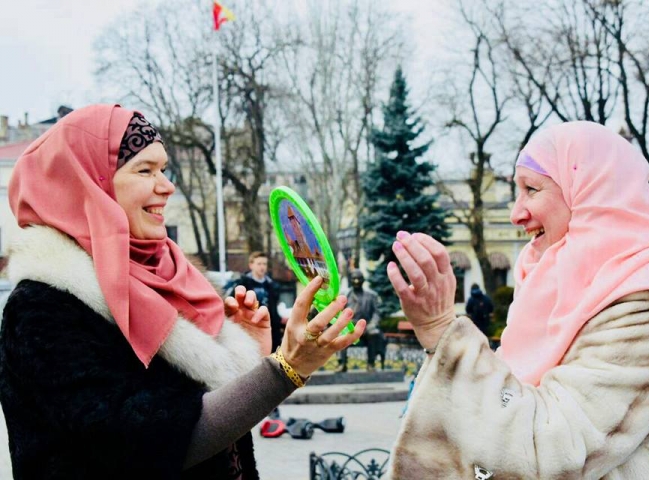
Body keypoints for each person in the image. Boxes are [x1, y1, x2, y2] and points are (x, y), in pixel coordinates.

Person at [0, 104, 365, 480]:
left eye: (163, 169)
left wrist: (247, 356)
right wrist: (285, 369)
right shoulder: (42, 309)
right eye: (144, 170)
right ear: (91, 185)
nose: (167, 185)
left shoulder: (167, 281)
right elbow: (148, 446)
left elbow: (216, 434)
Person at [385, 121, 649, 479]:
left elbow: (553, 452)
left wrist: (443, 331)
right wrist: (438, 338)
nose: (516, 213)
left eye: (532, 189)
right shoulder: (560, 289)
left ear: (590, 192)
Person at [225, 251, 284, 351]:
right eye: (259, 263)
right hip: (248, 328)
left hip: (270, 331)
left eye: (264, 264)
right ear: (251, 265)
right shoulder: (242, 284)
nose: (262, 267)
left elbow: (274, 310)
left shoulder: (272, 285)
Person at [336, 269, 385, 372]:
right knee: (341, 334)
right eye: (354, 279)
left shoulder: (372, 295)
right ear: (350, 280)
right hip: (350, 326)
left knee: (374, 333)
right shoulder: (345, 295)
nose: (356, 281)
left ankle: (371, 364)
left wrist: (373, 324)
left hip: (366, 326)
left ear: (363, 280)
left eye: (359, 279)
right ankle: (342, 364)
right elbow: (338, 312)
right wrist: (345, 324)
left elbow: (377, 312)